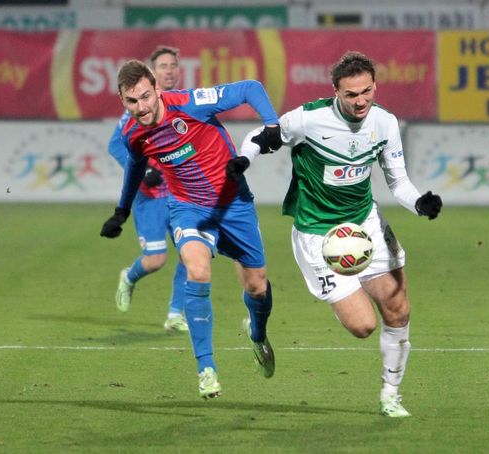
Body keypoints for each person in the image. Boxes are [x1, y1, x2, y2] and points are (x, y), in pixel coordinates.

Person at [234, 51, 442, 417]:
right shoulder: (308, 119)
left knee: (398, 308)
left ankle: (391, 394)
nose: (360, 101)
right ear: (336, 92)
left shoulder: (385, 123)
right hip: (319, 236)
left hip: (365, 226)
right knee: (363, 326)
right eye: (351, 94)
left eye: (366, 92)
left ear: (375, 86)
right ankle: (340, 295)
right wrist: (244, 161)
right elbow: (259, 135)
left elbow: (399, 183)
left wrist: (420, 202)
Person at [100, 59, 283, 399]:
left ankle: (257, 334)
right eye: (131, 101)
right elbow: (135, 169)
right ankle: (206, 369)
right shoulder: (132, 134)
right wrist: (121, 211)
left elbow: (250, 88)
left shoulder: (190, 103)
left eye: (145, 97)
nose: (141, 108)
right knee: (197, 271)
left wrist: (271, 124)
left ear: (157, 89)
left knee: (257, 286)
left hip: (234, 205)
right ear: (122, 101)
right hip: (187, 208)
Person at [107, 46, 188, 332]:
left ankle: (175, 314)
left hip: (181, 194)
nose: (170, 70)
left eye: (173, 65)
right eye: (163, 66)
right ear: (152, 75)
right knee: (156, 259)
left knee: (193, 254)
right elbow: (115, 145)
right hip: (151, 197)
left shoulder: (183, 102)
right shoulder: (137, 108)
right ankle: (129, 277)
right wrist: (146, 172)